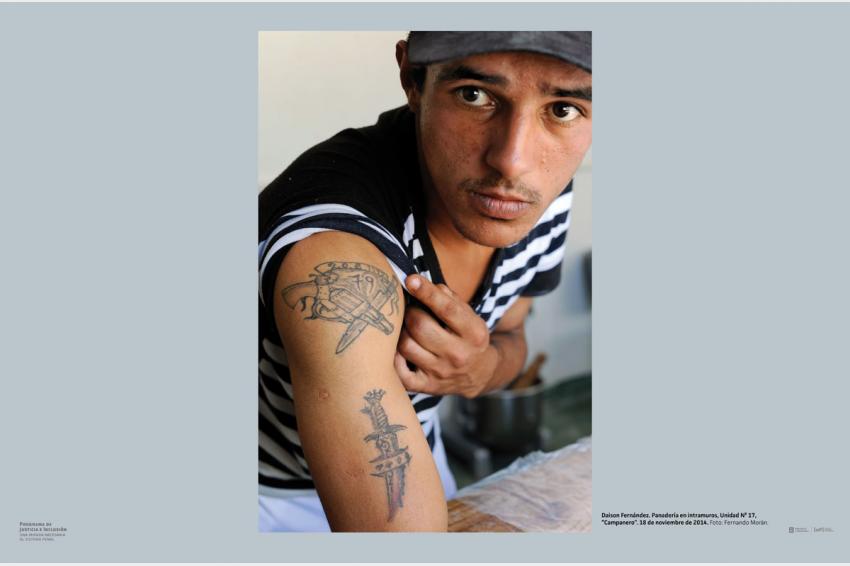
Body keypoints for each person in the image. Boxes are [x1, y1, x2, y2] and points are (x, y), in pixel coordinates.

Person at [258, 31, 592, 532]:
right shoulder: (333, 252)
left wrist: (482, 368)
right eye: (474, 95)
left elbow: (511, 335)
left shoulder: (537, 191)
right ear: (412, 77)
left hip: (418, 450)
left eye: (562, 109)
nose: (512, 160)